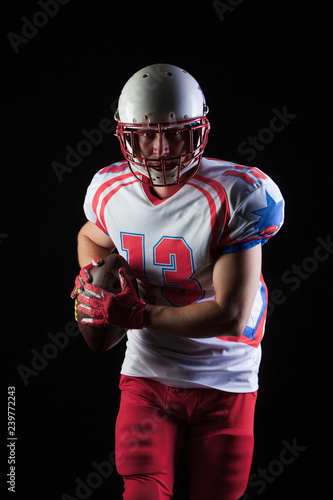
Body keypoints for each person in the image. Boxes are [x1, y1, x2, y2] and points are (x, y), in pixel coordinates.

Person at [71, 63, 285, 500]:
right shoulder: (110, 188)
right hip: (149, 371)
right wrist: (96, 277)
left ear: (199, 132)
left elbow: (231, 314)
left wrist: (136, 313)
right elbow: (91, 234)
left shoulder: (236, 193)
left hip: (224, 375)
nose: (160, 147)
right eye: (146, 134)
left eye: (175, 133)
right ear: (126, 135)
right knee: (141, 493)